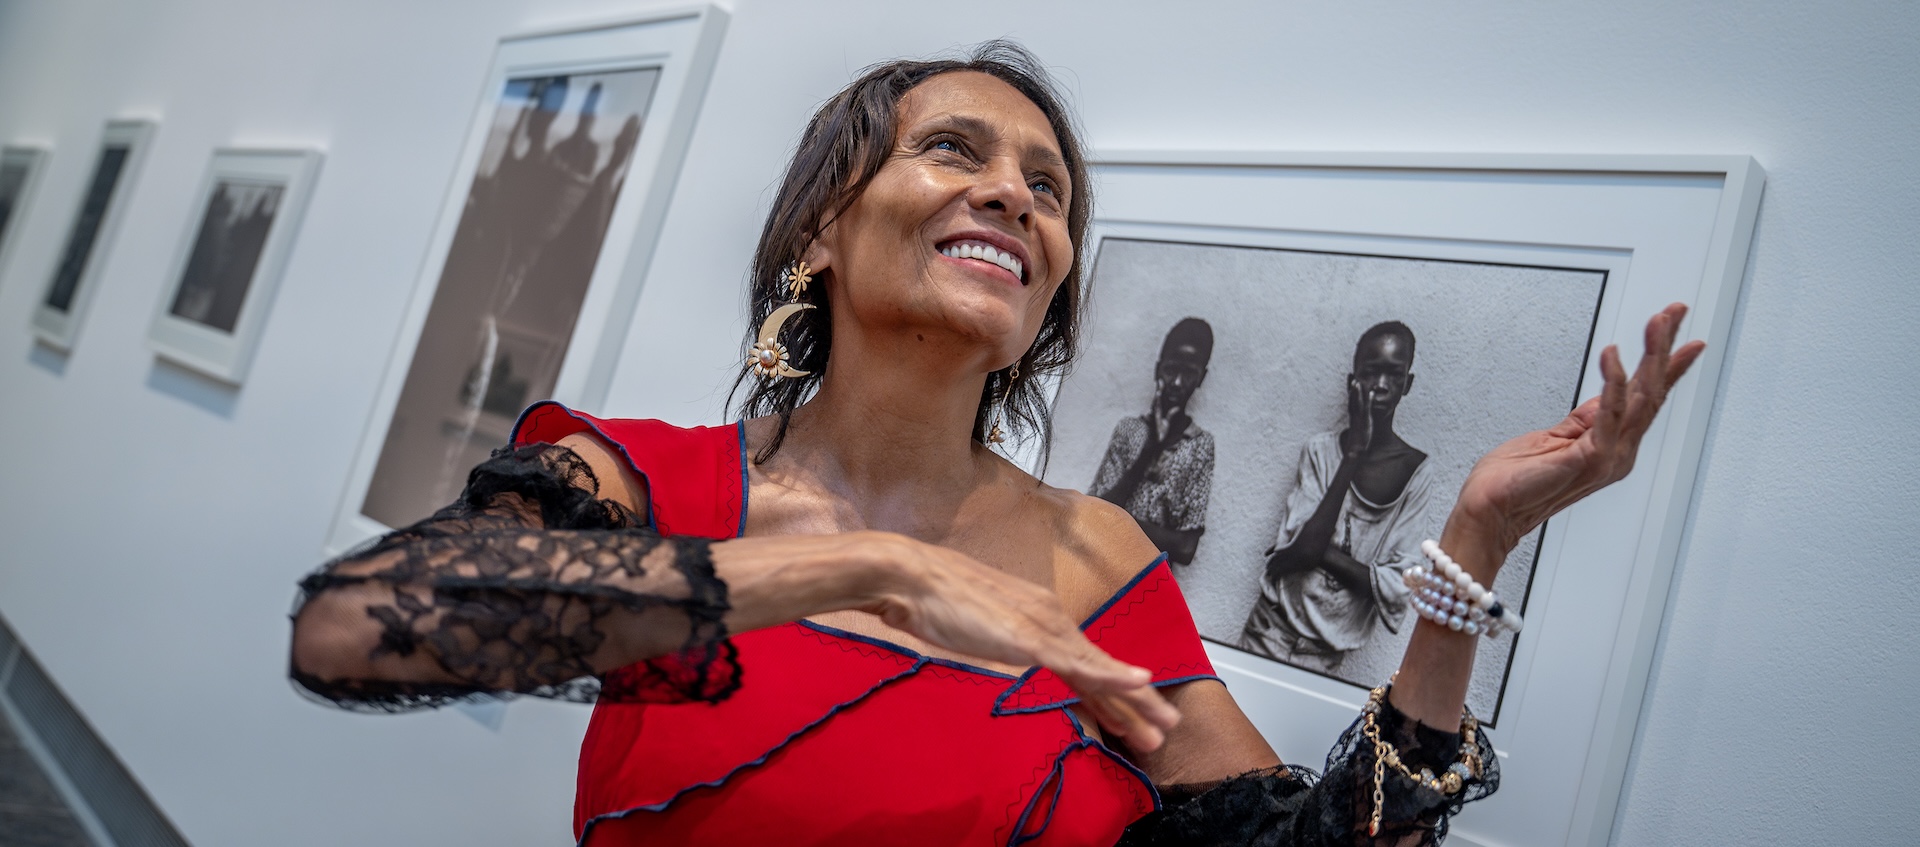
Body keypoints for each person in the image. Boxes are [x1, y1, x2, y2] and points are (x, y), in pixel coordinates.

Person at [288, 42, 1705, 846]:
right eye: (954, 151)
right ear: (821, 230)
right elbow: (355, 628)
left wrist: (1472, 545)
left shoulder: (1097, 557)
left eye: (1047, 186)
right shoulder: (644, 475)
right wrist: (867, 568)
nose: (1015, 196)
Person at [1242, 321, 1439, 675]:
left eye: (1394, 375)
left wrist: (1316, 551)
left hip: (1324, 658)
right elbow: (1302, 548)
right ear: (1353, 382)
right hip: (1268, 631)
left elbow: (1399, 585)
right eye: (1371, 372)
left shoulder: (1416, 472)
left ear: (1407, 384)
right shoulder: (1320, 451)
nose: (1381, 385)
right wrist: (1353, 454)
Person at [1089, 317, 1216, 566]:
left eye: (1189, 373)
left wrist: (1118, 519)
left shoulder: (1200, 446)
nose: (1177, 382)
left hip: (1148, 579)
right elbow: (1095, 514)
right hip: (1100, 564)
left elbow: (1186, 548)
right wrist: (1150, 449)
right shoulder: (1129, 430)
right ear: (1158, 370)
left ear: (1201, 378)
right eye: (1171, 370)